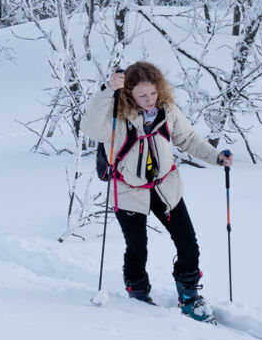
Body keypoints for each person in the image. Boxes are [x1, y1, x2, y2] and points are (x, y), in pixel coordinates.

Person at [80, 61, 231, 319]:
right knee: (137, 248)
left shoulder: (166, 109)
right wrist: (108, 90)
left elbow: (188, 139)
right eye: (142, 94)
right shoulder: (115, 115)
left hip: (165, 187)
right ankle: (138, 292)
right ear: (129, 93)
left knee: (188, 242)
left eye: (153, 93)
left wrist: (216, 157)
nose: (150, 100)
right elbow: (89, 128)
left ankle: (189, 295)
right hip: (128, 191)